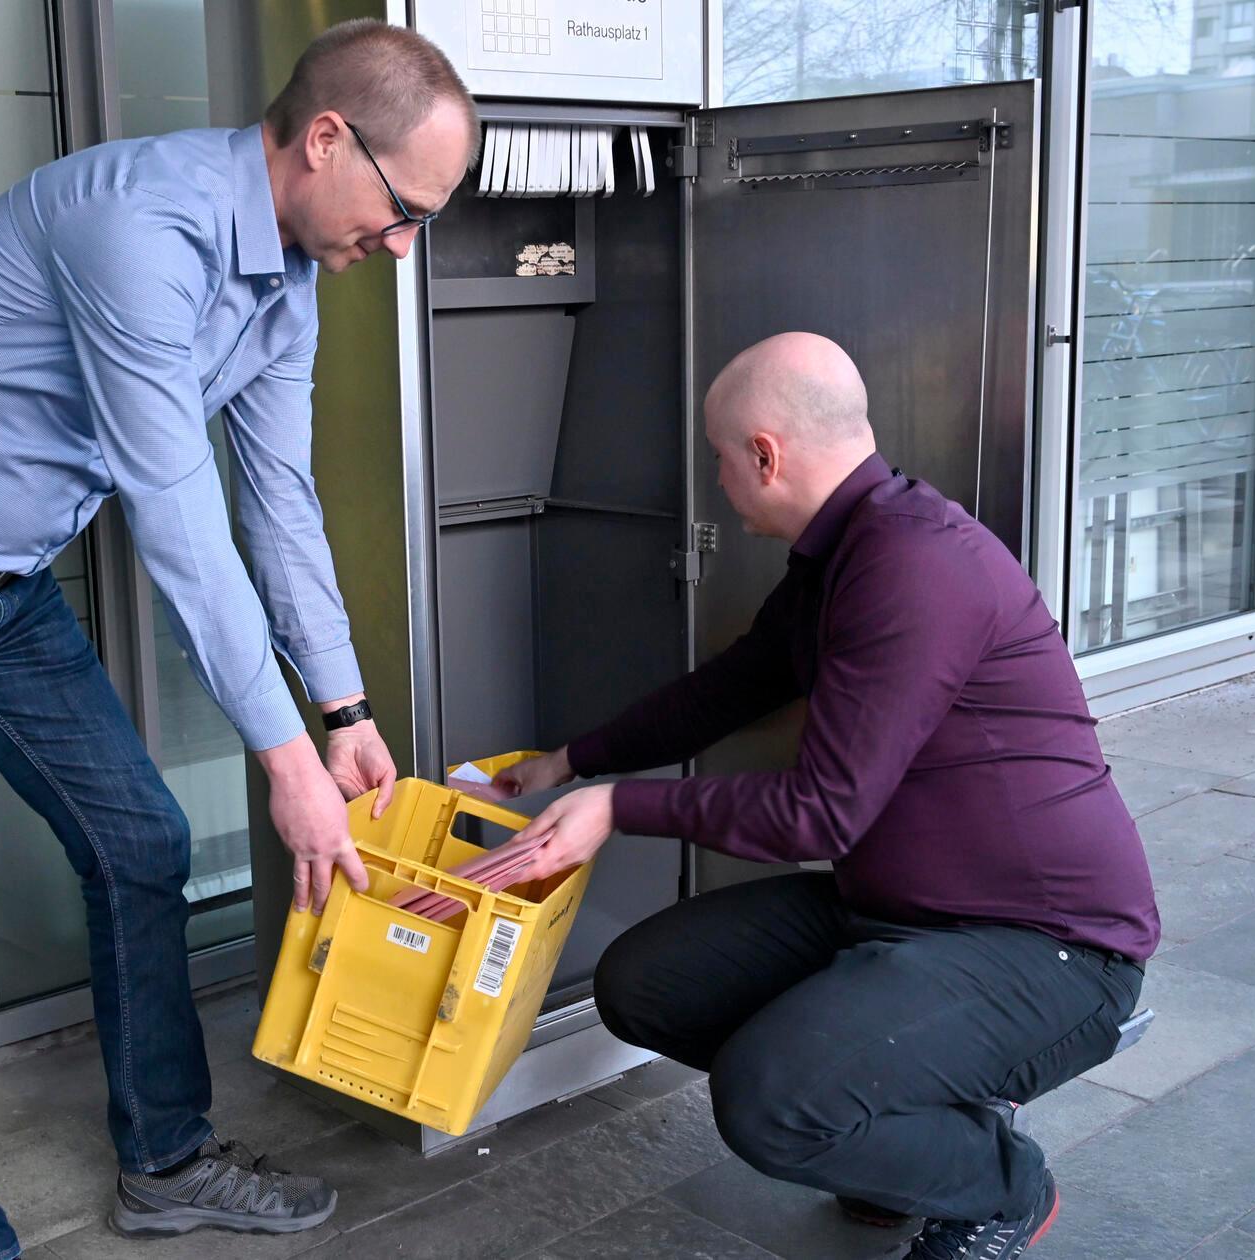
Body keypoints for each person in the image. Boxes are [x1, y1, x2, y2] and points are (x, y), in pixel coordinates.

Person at [0, 21, 478, 1258]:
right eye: (403, 210)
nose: (400, 247)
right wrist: (287, 766)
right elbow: (177, 518)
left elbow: (277, 504)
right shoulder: (137, 227)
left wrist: (341, 711)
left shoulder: (286, 278)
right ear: (325, 138)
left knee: (140, 842)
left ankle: (167, 1162)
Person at [485, 333, 1160, 1260]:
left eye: (720, 460)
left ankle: (1001, 1187)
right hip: (889, 911)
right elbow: (729, 690)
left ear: (764, 453)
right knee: (645, 986)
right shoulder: (843, 551)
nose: (717, 481)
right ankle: (898, 1141)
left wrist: (618, 810)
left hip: (1046, 949)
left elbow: (819, 812)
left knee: (770, 1101)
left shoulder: (913, 563)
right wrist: (572, 761)